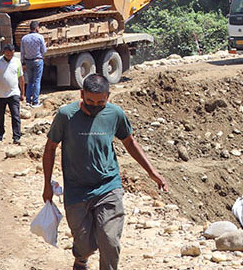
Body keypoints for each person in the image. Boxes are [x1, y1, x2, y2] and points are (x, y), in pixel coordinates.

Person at [43, 74, 167, 270]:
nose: (95, 105)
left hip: (108, 185)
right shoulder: (66, 115)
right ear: (81, 94)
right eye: (90, 101)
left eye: (101, 102)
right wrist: (47, 185)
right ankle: (81, 259)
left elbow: (129, 142)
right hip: (76, 190)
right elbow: (50, 148)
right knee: (85, 245)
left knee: (109, 240)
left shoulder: (114, 114)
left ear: (108, 96)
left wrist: (151, 172)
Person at [0, 44, 25, 143]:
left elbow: (21, 78)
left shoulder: (17, 61)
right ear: (4, 53)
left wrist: (22, 93)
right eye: (7, 55)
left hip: (13, 93)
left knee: (15, 115)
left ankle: (16, 136)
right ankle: (0, 135)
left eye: (11, 55)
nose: (9, 56)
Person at [21, 21, 47, 107]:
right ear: (36, 28)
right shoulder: (40, 37)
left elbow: (22, 52)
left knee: (30, 81)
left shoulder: (24, 38)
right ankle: (35, 101)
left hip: (28, 61)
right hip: (37, 61)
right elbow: (44, 51)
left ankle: (28, 100)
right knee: (37, 81)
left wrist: (23, 63)